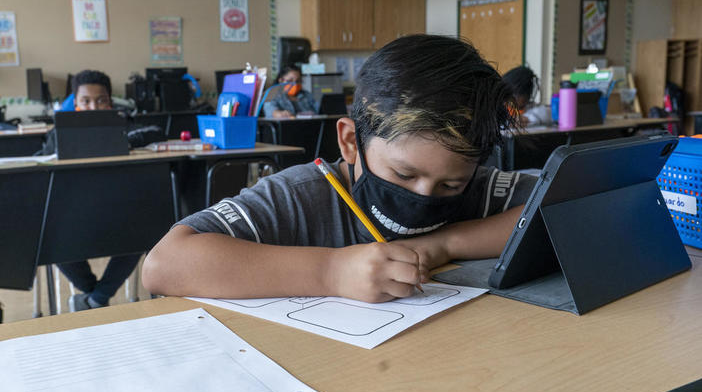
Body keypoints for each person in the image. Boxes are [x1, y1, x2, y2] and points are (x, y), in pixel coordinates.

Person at [142, 34, 537, 303]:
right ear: (350, 142)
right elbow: (164, 265)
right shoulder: (301, 196)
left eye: (451, 184)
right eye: (403, 175)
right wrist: (330, 272)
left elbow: (558, 205)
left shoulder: (479, 189)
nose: (423, 195)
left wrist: (443, 244)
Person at [50, 70, 143, 311]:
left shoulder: (125, 125)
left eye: (101, 100)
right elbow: (42, 159)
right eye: (86, 101)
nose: (94, 106)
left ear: (110, 101)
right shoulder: (59, 133)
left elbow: (154, 133)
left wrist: (124, 141)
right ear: (76, 103)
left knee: (145, 229)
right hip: (73, 214)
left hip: (119, 211)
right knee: (49, 236)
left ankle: (93, 300)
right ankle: (97, 296)